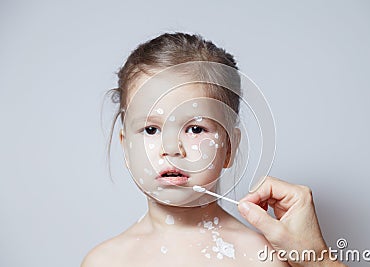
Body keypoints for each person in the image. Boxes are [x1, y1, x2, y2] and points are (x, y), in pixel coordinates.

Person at [81, 32, 343, 267]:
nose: (172, 149)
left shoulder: (264, 259)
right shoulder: (104, 261)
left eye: (195, 129)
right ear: (126, 147)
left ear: (229, 147)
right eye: (151, 130)